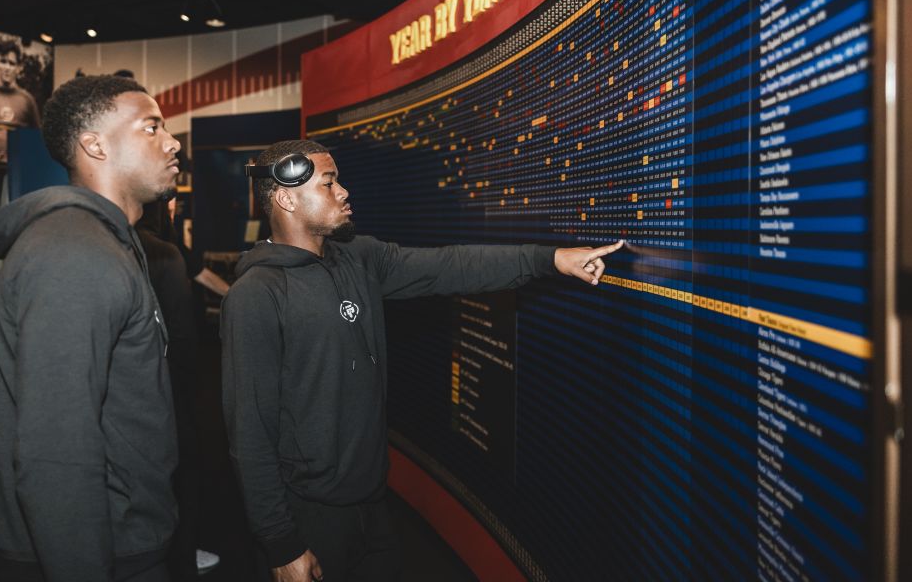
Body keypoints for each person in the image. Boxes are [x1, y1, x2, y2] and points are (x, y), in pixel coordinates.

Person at [221, 140, 625, 582]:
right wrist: (282, 544)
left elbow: (451, 265)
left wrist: (549, 259)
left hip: (373, 508)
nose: (344, 192)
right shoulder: (256, 296)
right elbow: (250, 432)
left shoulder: (359, 258)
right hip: (308, 518)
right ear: (286, 197)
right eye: (330, 183)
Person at [0, 74, 183, 582]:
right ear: (94, 144)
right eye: (151, 127)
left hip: (125, 535)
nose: (172, 141)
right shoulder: (75, 255)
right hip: (100, 548)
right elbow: (56, 450)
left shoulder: (105, 241)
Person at [135, 201, 222, 580]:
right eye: (170, 203)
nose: (175, 207)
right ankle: (180, 556)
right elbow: (182, 333)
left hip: (144, 379)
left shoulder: (151, 244)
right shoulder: (161, 251)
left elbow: (203, 275)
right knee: (181, 468)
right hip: (168, 379)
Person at [0, 39, 40, 162]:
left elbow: (37, 138)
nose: (7, 67)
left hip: (20, 168)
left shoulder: (27, 100)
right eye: (3, 61)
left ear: (18, 68)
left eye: (12, 63)